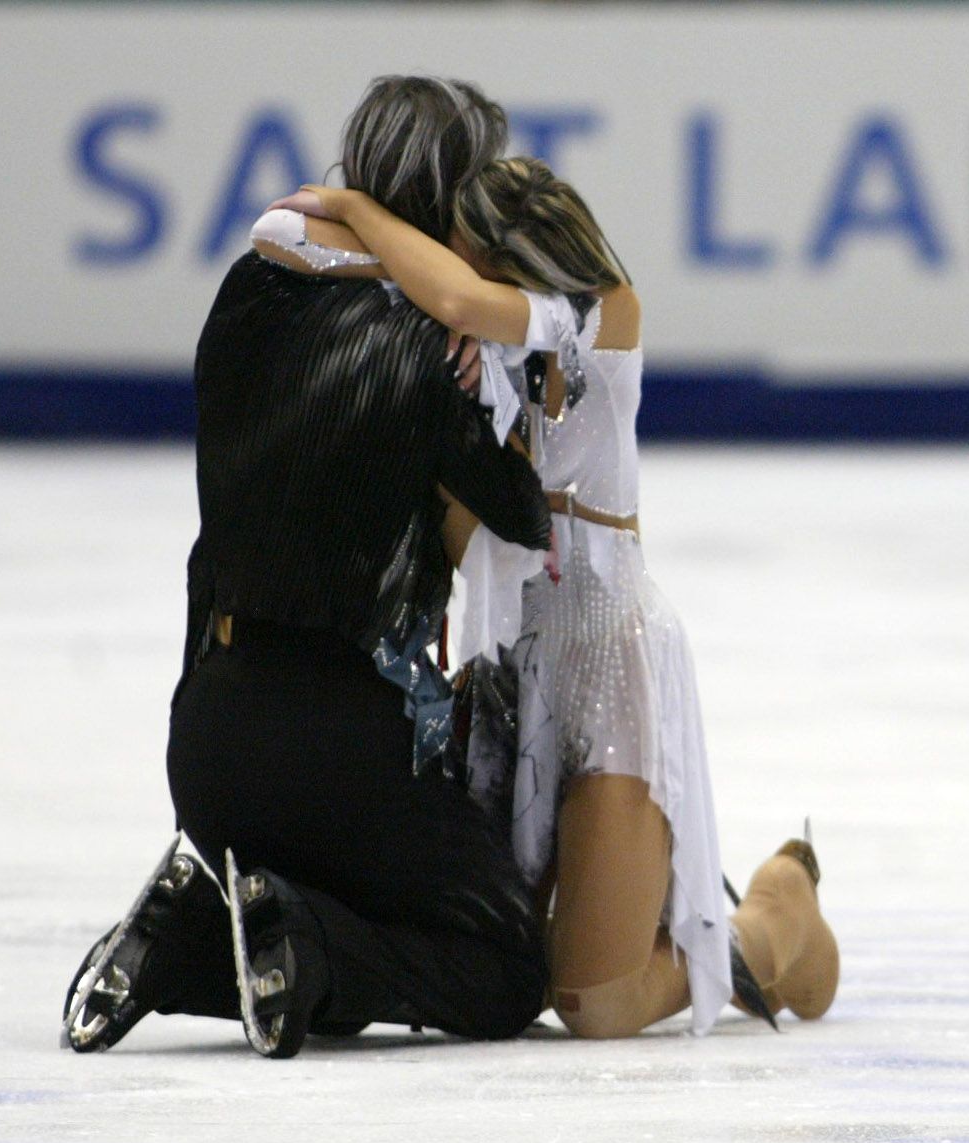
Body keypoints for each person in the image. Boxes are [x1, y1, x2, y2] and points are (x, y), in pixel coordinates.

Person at [255, 156, 839, 1038]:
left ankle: (776, 920)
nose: (439, 276)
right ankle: (643, 900)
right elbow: (280, 240)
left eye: (457, 255)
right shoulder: (482, 348)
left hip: (613, 664)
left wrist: (353, 206)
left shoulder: (604, 315)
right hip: (514, 670)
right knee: (498, 970)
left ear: (502, 259)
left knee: (594, 1004)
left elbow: (448, 295)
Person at [62, 76, 554, 1059]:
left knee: (322, 891)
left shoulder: (243, 295)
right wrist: (514, 379)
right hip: (342, 750)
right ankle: (266, 942)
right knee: (507, 967)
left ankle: (184, 939)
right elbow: (524, 517)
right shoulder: (429, 347)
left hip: (205, 737)